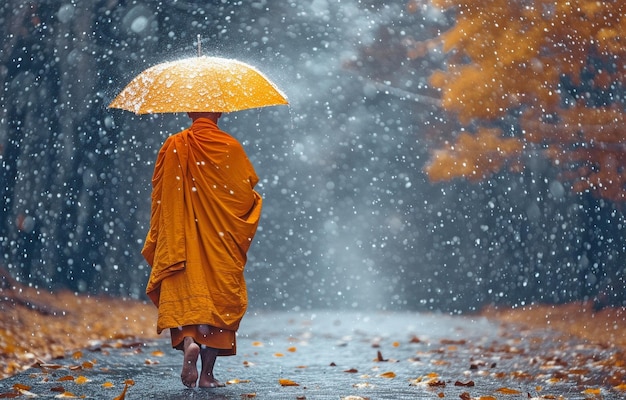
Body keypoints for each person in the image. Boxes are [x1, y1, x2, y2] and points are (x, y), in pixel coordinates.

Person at [141, 111, 262, 388]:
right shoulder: (230, 147)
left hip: (181, 242)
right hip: (219, 243)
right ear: (219, 112)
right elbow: (243, 197)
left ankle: (188, 343)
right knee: (217, 302)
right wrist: (253, 201)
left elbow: (159, 196)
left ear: (188, 113)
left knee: (186, 300)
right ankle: (207, 374)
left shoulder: (174, 145)